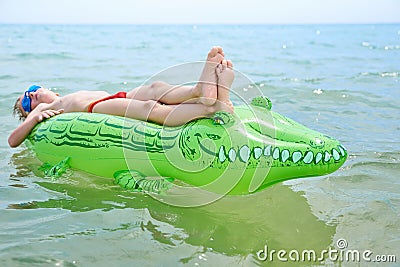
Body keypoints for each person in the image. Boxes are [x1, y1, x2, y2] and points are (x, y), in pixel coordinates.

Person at [8, 46, 235, 148]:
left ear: (51, 89)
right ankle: (212, 108)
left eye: (32, 89)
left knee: (156, 88)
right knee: (150, 108)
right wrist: (35, 118)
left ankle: (198, 92)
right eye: (27, 101)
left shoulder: (63, 96)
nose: (31, 95)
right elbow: (12, 140)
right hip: (95, 108)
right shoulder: (44, 111)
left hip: (116, 95)